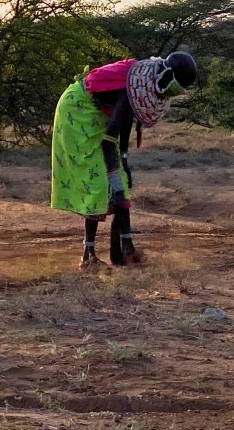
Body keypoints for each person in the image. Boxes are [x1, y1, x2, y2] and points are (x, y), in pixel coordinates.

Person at [50, 52, 197, 270]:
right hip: (78, 108)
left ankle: (127, 248)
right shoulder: (134, 86)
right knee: (98, 182)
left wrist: (124, 162)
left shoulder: (142, 88)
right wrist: (113, 176)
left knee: (121, 185)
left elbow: (123, 124)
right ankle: (88, 255)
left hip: (100, 114)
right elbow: (110, 138)